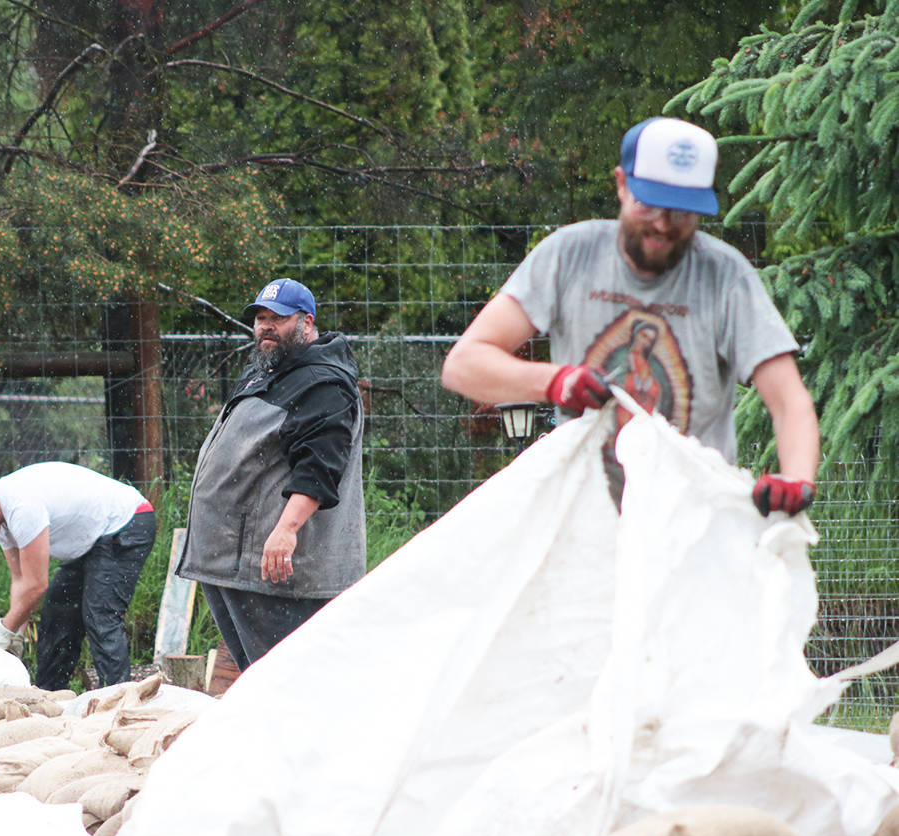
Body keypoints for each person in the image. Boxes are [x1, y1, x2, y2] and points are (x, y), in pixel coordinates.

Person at [441, 116, 820, 517]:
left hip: (694, 522)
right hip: (583, 520)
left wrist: (796, 480)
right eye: (650, 205)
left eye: (681, 212)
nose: (662, 224)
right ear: (621, 184)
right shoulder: (569, 254)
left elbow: (789, 399)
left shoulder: (725, 276)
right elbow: (464, 365)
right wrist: (556, 381)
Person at [175, 277, 367, 672]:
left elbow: (320, 466)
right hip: (232, 559)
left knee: (287, 677)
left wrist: (286, 530)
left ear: (307, 322)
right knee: (257, 677)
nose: (265, 326)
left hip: (273, 566)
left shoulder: (323, 382)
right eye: (260, 318)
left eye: (278, 318)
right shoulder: (269, 371)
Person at [0, 462, 156, 690]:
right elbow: (21, 580)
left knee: (99, 613)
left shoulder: (21, 507)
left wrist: (4, 630)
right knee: (57, 611)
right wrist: (16, 634)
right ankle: (50, 698)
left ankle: (118, 700)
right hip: (92, 539)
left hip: (128, 522)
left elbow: (36, 585)